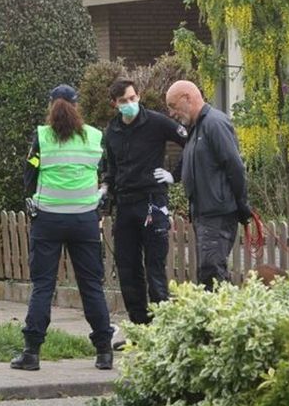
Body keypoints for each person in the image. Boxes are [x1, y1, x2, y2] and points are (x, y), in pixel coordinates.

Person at [12, 84, 114, 371]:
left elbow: (29, 171)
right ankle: (104, 352)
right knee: (91, 286)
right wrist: (100, 203)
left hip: (48, 220)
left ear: (50, 106)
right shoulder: (94, 137)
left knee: (43, 285)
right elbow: (105, 169)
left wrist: (31, 199)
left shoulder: (41, 138)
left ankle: (31, 353)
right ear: (76, 105)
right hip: (84, 221)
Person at [100, 78, 187, 348]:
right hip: (125, 204)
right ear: (114, 104)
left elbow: (191, 139)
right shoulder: (112, 131)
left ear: (138, 97)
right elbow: (110, 167)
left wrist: (175, 174)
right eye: (124, 101)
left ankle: (161, 332)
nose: (130, 104)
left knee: (155, 268)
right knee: (127, 269)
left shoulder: (157, 123)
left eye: (133, 98)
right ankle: (139, 329)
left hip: (152, 201)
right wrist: (105, 188)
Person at [165, 80, 252, 290]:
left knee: (212, 272)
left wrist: (242, 205)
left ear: (187, 98)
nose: (172, 114)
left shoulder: (214, 123)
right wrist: (172, 177)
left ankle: (226, 317)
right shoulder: (196, 129)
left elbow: (235, 167)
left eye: (173, 106)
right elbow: (188, 162)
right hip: (204, 213)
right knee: (208, 272)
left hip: (218, 213)